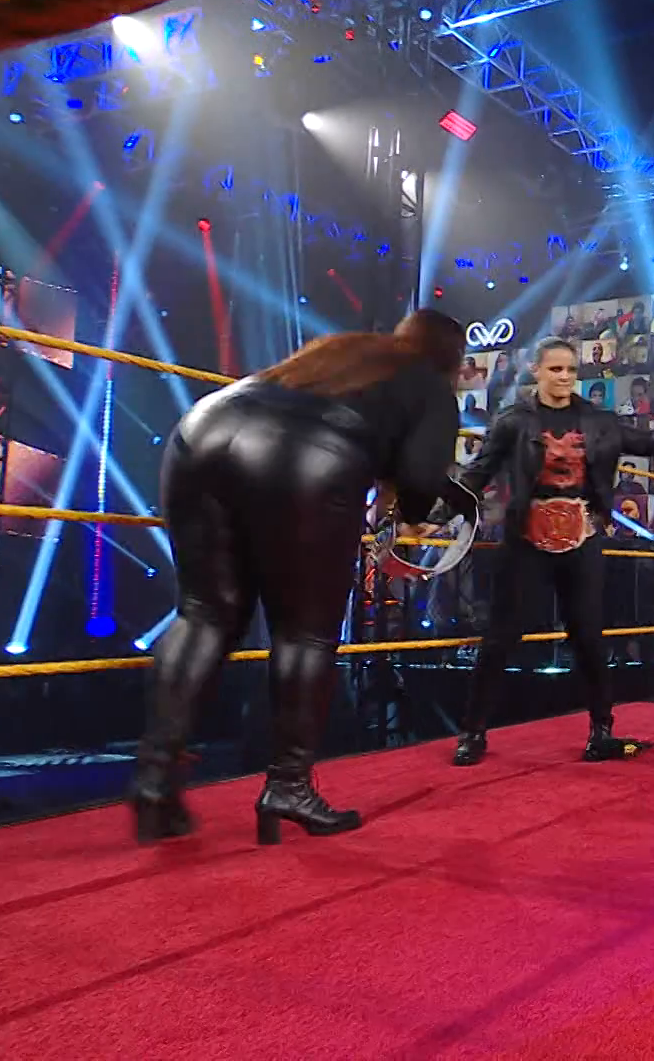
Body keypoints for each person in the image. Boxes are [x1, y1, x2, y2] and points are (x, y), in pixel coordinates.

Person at [131, 309, 469, 846]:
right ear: (453, 359)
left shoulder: (344, 353)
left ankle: (154, 780)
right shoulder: (430, 384)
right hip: (303, 455)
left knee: (203, 613)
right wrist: (410, 509)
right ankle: (287, 785)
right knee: (305, 634)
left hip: (203, 427)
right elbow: (421, 479)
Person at [451, 337, 654, 766]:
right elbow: (479, 473)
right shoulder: (514, 421)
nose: (565, 377)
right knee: (500, 636)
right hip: (526, 538)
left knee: (588, 635)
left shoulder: (598, 420)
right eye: (555, 369)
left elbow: (645, 443)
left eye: (570, 370)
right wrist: (439, 513)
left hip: (581, 535)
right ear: (537, 371)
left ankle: (601, 731)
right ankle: (473, 732)